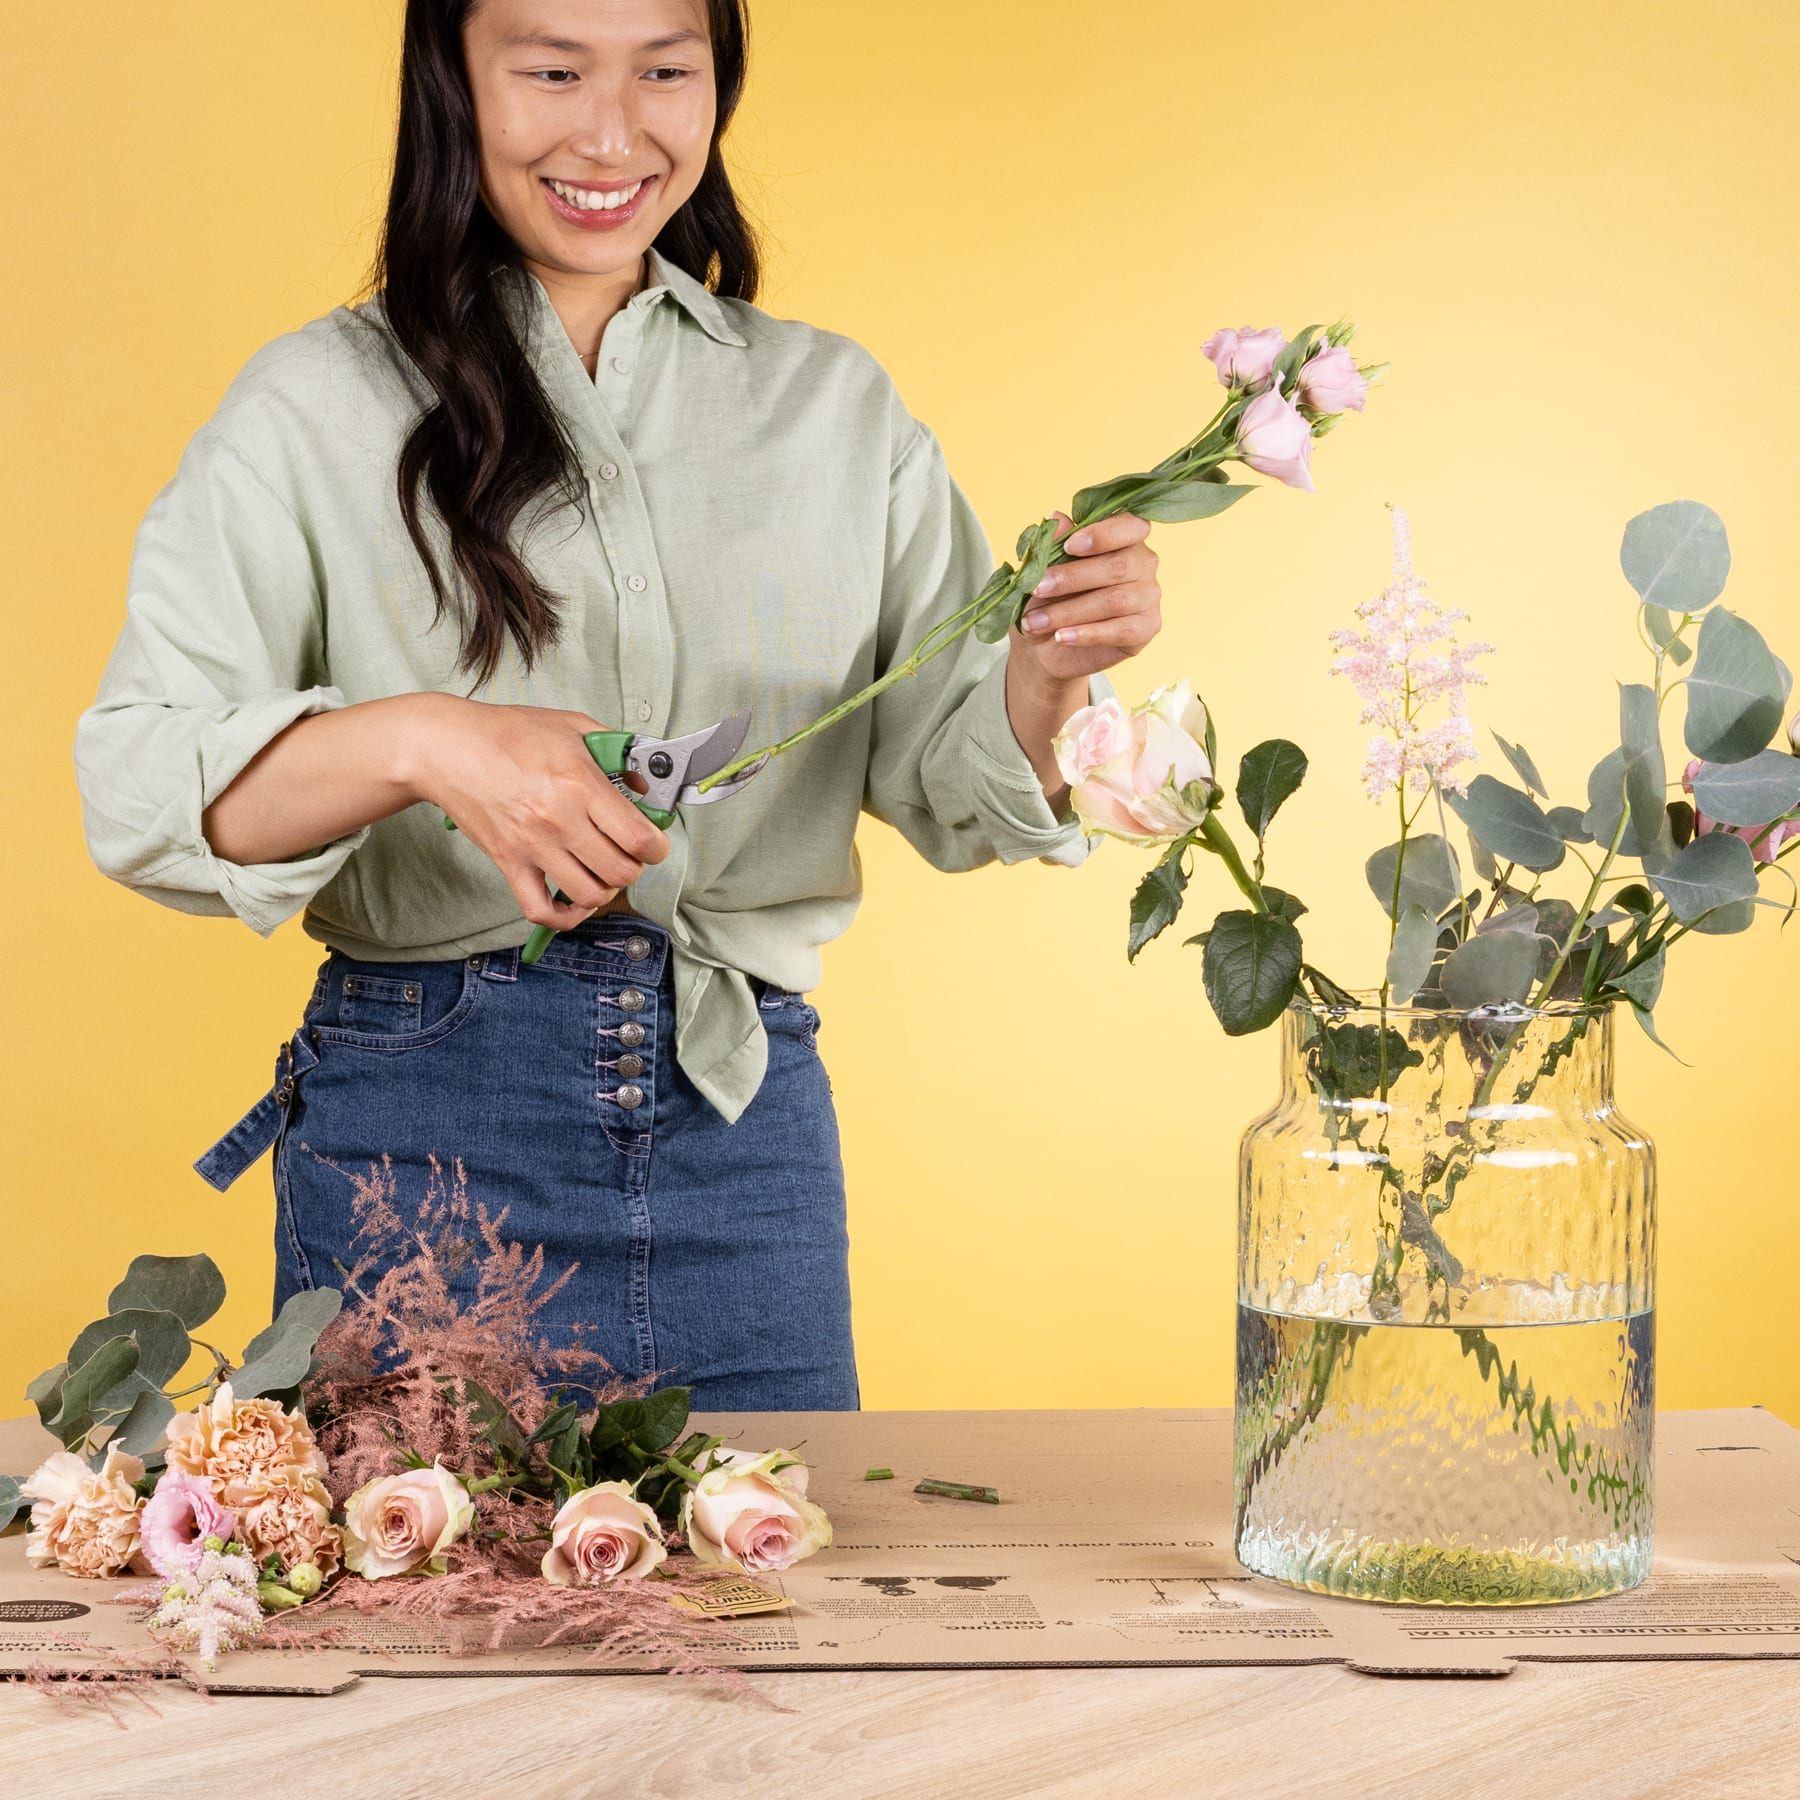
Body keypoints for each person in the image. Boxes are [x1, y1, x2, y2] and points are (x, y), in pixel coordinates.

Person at [73, 0, 1164, 1411]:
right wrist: (426, 741)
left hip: (742, 1125)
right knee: (415, 1619)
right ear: (455, 81)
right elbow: (141, 784)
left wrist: (1046, 668)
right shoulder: (312, 407)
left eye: (665, 70)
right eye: (549, 70)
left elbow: (959, 786)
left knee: (767, 1609)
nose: (612, 132)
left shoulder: (833, 408)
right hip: (424, 1144)